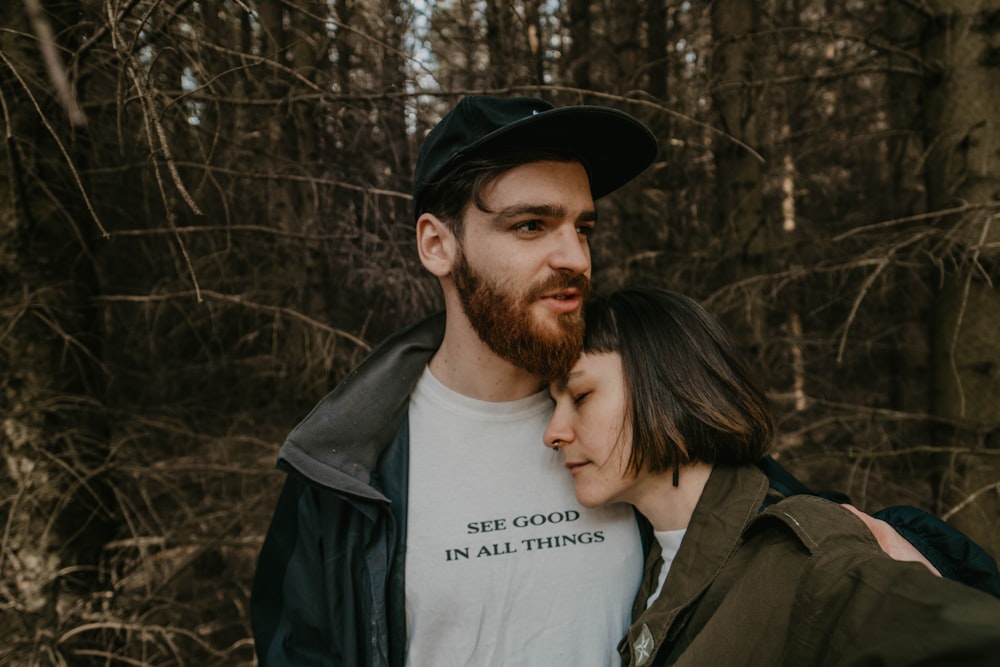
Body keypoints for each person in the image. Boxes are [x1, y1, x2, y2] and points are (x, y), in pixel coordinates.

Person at [251, 95, 953, 666]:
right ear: (438, 244)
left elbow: (782, 540)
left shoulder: (624, 416)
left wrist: (911, 555)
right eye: (532, 225)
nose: (574, 257)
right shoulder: (347, 474)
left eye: (582, 227)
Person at [544, 287, 1000, 667]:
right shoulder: (650, 564)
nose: (553, 432)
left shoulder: (803, 546)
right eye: (553, 405)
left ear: (666, 388)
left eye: (580, 395)